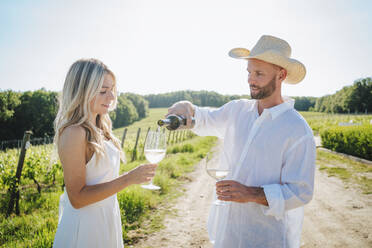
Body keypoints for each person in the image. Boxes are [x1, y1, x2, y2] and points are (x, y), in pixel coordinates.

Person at [167, 35, 316, 247]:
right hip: (226, 234)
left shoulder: (298, 130)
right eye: (249, 72)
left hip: (266, 238)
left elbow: (300, 192)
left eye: (259, 73)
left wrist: (250, 193)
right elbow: (203, 118)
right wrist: (187, 107)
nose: (250, 80)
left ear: (281, 75)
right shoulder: (237, 110)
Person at [53, 58, 157, 248]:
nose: (111, 97)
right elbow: (76, 198)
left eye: (112, 90)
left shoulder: (102, 127)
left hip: (107, 219)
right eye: (102, 91)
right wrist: (128, 179)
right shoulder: (74, 132)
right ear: (81, 91)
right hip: (85, 228)